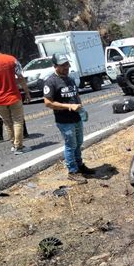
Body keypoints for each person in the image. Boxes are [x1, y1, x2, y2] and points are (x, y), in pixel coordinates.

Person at [44, 53, 94, 184]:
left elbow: (76, 96)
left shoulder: (70, 79)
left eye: (67, 64)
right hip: (64, 120)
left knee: (78, 143)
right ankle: (73, 171)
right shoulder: (51, 81)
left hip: (76, 118)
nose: (66, 67)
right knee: (70, 145)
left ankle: (80, 165)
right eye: (63, 65)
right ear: (55, 66)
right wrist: (69, 106)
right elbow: (48, 103)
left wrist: (82, 110)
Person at [0, 39, 32, 154]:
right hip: (13, 96)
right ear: (1, 47)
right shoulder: (11, 60)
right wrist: (27, 92)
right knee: (17, 121)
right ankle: (19, 147)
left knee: (7, 123)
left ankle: (14, 145)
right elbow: (20, 77)